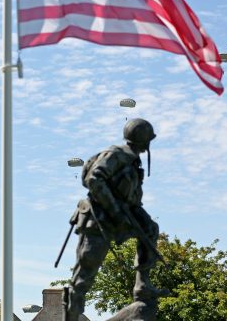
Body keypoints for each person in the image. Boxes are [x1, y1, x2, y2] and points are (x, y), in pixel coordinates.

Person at [65, 118, 165, 320]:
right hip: (98, 219)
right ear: (142, 140)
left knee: (149, 229)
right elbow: (94, 179)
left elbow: (132, 197)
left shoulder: (133, 160)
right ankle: (71, 314)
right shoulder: (117, 155)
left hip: (122, 214)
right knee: (86, 271)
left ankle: (142, 286)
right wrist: (117, 212)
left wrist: (139, 219)